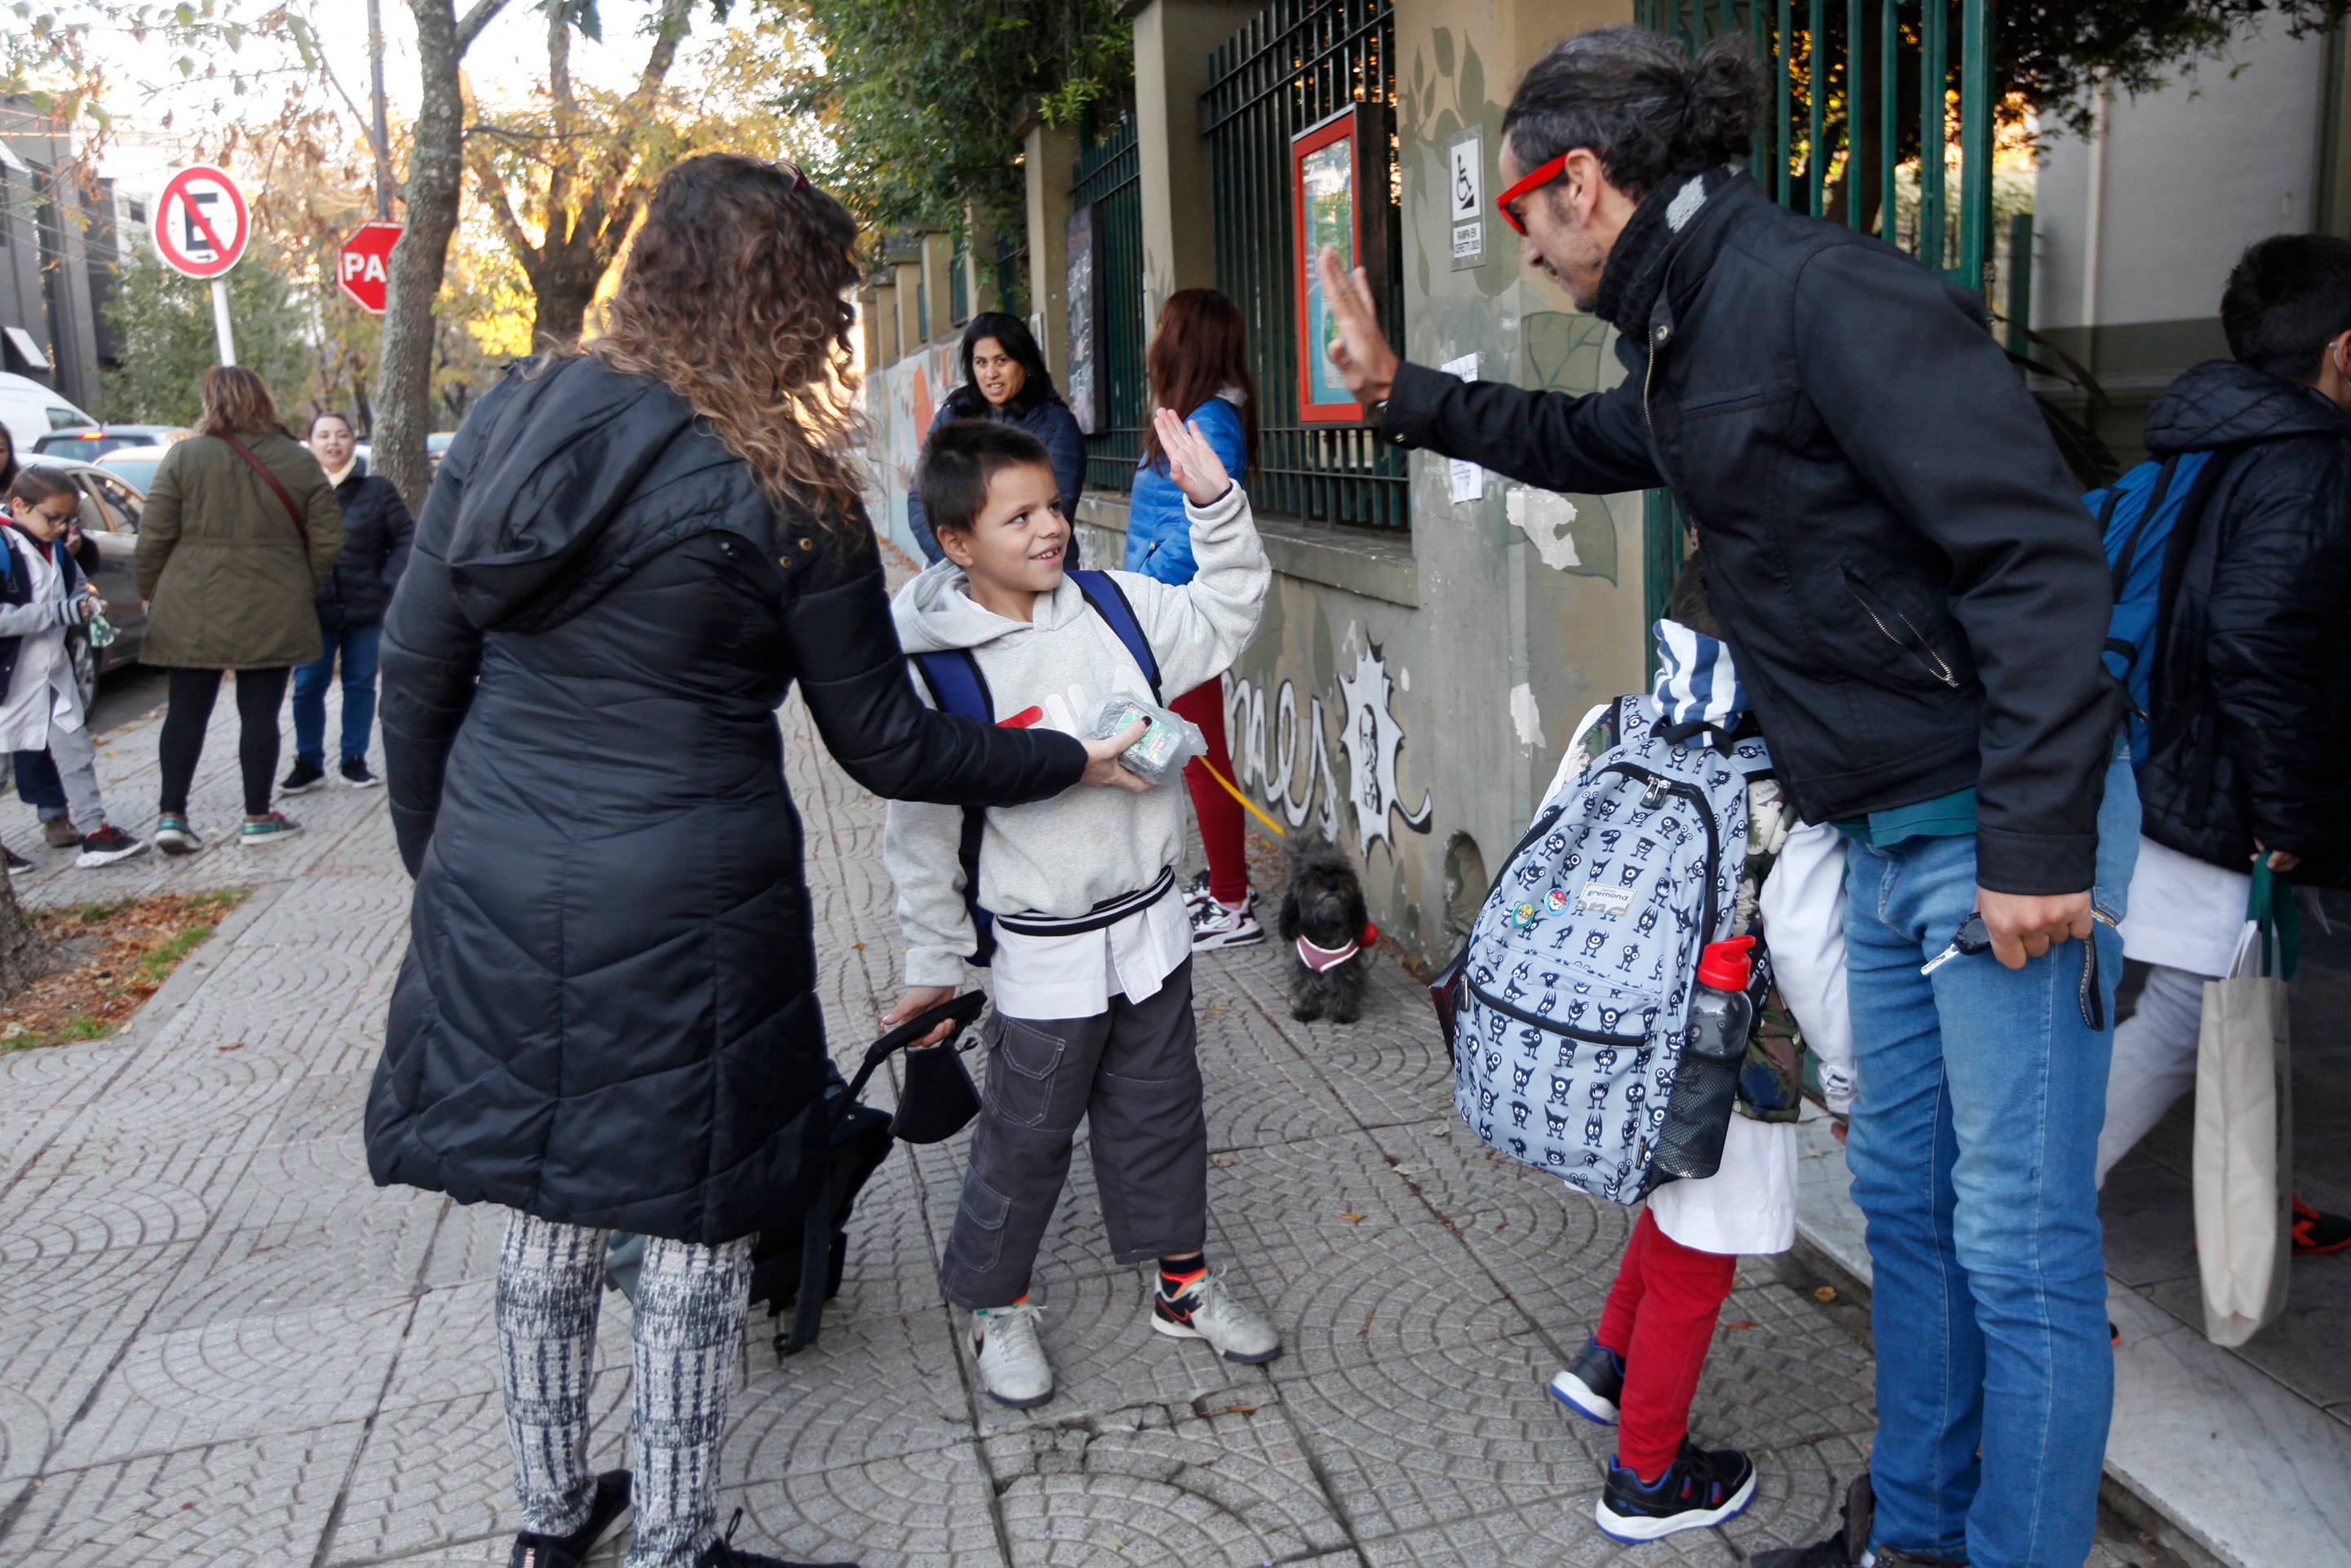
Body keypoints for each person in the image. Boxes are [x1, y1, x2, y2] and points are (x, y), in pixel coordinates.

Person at [1311, 26, 2135, 1568]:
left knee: (2016, 1245)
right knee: (1908, 1212)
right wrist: (1401, 393)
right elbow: (1586, 438)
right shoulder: (1690, 322)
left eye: (1519, 211)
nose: (1522, 245)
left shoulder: (1818, 292)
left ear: (1580, 184)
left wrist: (2035, 836)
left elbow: (2035, 555)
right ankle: (1914, 1535)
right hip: (1874, 826)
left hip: (1989, 827)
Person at [365, 153, 1147, 1568]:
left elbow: (415, 674)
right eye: (829, 301)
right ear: (783, 302)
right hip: (689, 898)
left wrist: (450, 876)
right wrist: (1063, 758)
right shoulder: (785, 479)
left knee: (546, 1203)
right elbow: (886, 743)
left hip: (496, 866)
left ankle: (549, 1522)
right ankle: (671, 1542)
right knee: (691, 1214)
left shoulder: (511, 419)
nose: (837, 326)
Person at [880, 409, 1278, 1411]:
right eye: (1017, 518)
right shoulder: (937, 669)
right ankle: (996, 1301)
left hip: (1151, 930)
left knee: (1161, 1114)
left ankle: (1181, 1285)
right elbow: (921, 833)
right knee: (1025, 1135)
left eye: (1051, 506)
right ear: (956, 541)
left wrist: (1214, 506)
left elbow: (1227, 612)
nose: (1050, 528)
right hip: (1042, 950)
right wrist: (932, 964)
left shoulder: (1114, 604)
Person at [1546, 569, 1857, 1544]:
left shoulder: (1615, 723)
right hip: (1729, 1063)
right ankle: (1644, 1475)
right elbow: (1804, 947)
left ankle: (1607, 1360)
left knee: (1669, 1208)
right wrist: (1848, 1076)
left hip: (1614, 1039)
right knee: (1697, 1255)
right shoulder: (1786, 780)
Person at [2095, 234, 2351, 1254]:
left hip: (2155, 754)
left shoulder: (2203, 437)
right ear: (2342, 348)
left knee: (2244, 988)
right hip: (2218, 783)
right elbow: (2259, 640)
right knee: (2195, 1009)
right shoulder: (2305, 461)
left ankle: (2258, 1195)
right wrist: (2287, 812)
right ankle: (2025, 1213)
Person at [135, 365, 343, 853]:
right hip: (272, 602)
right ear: (263, 401)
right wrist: (300, 582)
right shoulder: (297, 460)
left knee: (185, 712)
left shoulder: (184, 456)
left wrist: (151, 591)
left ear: (211, 402)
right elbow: (330, 538)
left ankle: (171, 816)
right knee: (260, 713)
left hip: (192, 601)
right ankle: (257, 816)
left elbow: (154, 535)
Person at [1122, 288, 1264, 950]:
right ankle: (1225, 885)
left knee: (1204, 760)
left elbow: (1199, 526)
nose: (1154, 338)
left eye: (1163, 326)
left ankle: (1233, 904)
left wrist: (1148, 592)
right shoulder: (1195, 414)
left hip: (1179, 614)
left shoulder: (1211, 422)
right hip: (1165, 608)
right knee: (1194, 756)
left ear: (1186, 340)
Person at [0, 466, 145, 870]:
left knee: (75, 749)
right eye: (54, 518)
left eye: (68, 519)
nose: (62, 527)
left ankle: (94, 830)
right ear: (19, 506)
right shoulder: (5, 546)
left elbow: (77, 586)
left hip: (50, 673)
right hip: (9, 677)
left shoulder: (55, 549)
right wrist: (62, 612)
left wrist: (89, 604)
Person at [282, 410, 413, 794]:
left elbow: (406, 539)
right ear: (310, 443)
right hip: (313, 609)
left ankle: (354, 760)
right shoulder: (296, 491)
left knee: (360, 684)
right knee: (308, 685)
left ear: (353, 441)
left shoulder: (377, 490)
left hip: (365, 608)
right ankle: (308, 762)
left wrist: (386, 584)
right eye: (324, 435)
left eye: (341, 434)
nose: (333, 443)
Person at [905, 312, 1085, 567]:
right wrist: (959, 562)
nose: (991, 374)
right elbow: (921, 499)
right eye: (981, 362)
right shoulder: (953, 415)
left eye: (1001, 360)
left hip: (1038, 574)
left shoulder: (1057, 425)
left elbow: (1054, 513)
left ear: (1024, 363)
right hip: (960, 572)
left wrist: (991, 573)